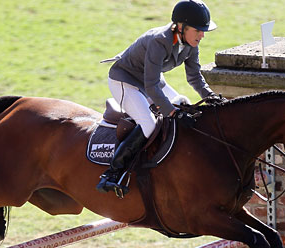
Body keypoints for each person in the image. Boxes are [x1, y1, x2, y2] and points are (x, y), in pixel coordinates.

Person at [96, 0, 225, 195]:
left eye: (203, 30)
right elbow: (151, 86)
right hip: (125, 81)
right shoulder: (159, 41)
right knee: (149, 124)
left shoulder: (191, 44)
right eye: (198, 30)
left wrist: (209, 96)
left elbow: (194, 77)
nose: (202, 34)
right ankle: (113, 172)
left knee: (183, 101)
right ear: (180, 27)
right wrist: (172, 112)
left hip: (151, 80)